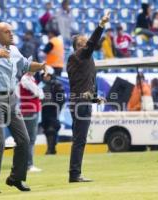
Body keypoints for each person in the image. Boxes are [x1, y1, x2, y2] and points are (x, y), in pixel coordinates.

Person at [0, 22, 49, 194]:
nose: (11, 34)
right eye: (7, 32)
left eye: (11, 32)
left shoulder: (14, 51)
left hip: (11, 99)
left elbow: (27, 66)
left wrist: (42, 66)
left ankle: (15, 178)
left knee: (24, 140)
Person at [66, 13, 109, 183]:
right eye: (82, 43)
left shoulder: (85, 60)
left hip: (82, 102)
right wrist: (101, 25)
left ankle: (74, 173)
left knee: (80, 139)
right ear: (76, 47)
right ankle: (74, 174)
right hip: (80, 104)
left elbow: (83, 84)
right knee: (79, 140)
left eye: (86, 42)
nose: (86, 45)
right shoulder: (77, 56)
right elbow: (92, 43)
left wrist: (94, 98)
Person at [19, 71, 44, 172]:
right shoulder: (26, 79)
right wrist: (39, 92)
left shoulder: (30, 79)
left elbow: (40, 93)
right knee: (30, 138)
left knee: (29, 138)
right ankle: (28, 164)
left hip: (31, 110)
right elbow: (39, 93)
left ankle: (27, 164)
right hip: (30, 111)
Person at [40, 67, 65, 155]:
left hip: (53, 110)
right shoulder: (41, 85)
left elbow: (61, 99)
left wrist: (57, 107)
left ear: (51, 75)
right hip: (44, 110)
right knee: (46, 128)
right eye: (43, 76)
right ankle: (52, 149)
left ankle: (50, 150)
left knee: (52, 129)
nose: (45, 77)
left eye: (47, 75)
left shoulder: (57, 84)